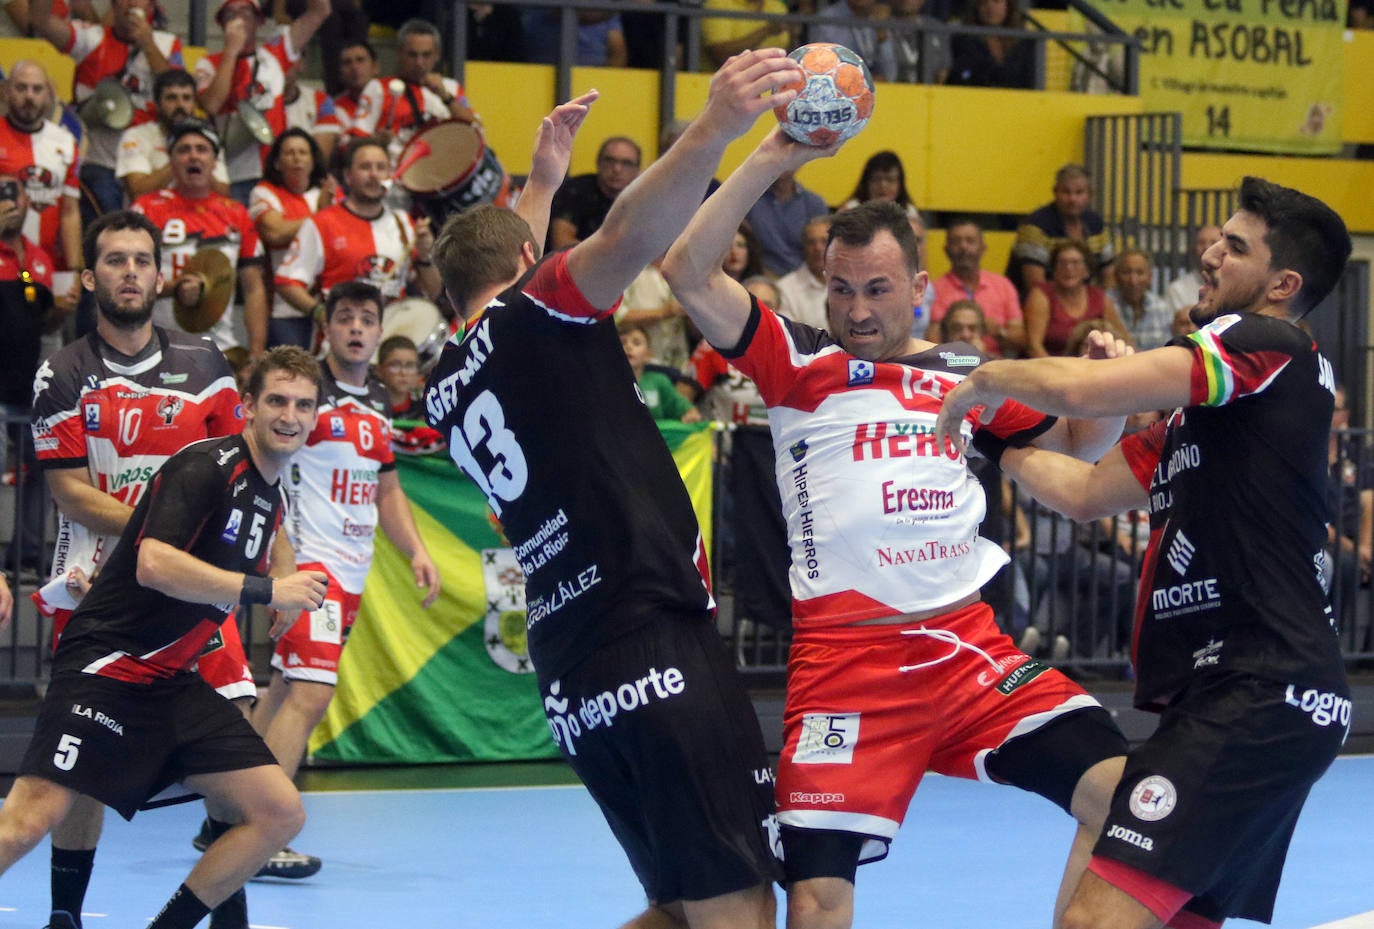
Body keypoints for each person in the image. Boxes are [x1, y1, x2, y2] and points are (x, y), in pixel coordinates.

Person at [661, 128, 1130, 929]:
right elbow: (685, 270)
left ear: (920, 285)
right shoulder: (796, 359)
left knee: (1129, 796)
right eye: (841, 289)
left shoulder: (971, 375)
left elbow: (1081, 459)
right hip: (848, 667)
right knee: (814, 900)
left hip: (969, 653)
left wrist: (1109, 384)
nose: (857, 309)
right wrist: (775, 158)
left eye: (877, 289)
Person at [425, 51, 805, 928]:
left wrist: (540, 184)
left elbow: (502, 284)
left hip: (572, 672)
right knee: (736, 904)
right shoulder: (541, 312)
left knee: (674, 906)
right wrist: (714, 125)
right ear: (530, 260)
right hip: (653, 635)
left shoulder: (447, 381)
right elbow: (631, 238)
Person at [934, 175, 1354, 929]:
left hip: (1256, 687)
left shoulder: (1263, 341)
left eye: (1235, 247)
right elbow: (1085, 490)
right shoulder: (1211, 417)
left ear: (1282, 283)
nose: (1211, 253)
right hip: (1245, 694)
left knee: (1093, 920)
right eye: (1217, 238)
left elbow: (1089, 392)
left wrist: (983, 376)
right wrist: (992, 435)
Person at [0, 344, 329, 929]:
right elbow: (154, 563)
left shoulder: (267, 492)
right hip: (107, 664)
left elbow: (240, 562)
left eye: (304, 405)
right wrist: (265, 591)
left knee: (278, 812)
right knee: (30, 818)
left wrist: (280, 573)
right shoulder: (206, 465)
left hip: (167, 681)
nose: (290, 415)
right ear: (247, 406)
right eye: (276, 400)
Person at [29, 210, 275, 929]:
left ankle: (228, 920)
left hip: (194, 599)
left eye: (142, 259)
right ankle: (64, 916)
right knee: (79, 775)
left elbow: (243, 472)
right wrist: (154, 532)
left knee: (235, 766)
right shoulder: (64, 372)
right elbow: (68, 488)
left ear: (161, 275)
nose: (130, 271)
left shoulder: (204, 364)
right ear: (91, 275)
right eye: (114, 260)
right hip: (100, 596)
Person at [246, 279, 440, 877]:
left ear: (381, 330)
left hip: (352, 572)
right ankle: (263, 835)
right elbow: (264, 467)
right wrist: (282, 560)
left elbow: (387, 488)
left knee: (281, 689)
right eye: (346, 317)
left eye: (367, 319)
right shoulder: (305, 395)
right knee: (309, 694)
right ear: (326, 326)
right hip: (310, 568)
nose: (357, 328)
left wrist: (416, 550)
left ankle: (225, 818)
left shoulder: (379, 399)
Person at [27, 0, 181, 222]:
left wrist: (147, 43)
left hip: (148, 163)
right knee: (110, 228)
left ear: (151, 6)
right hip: (101, 161)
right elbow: (41, 21)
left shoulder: (167, 44)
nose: (130, 4)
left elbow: (176, 87)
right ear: (113, 6)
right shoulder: (91, 38)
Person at [131, 119, 269, 358]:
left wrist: (256, 354)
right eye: (184, 150)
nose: (193, 156)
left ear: (215, 162)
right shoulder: (145, 209)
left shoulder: (237, 214)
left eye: (202, 149)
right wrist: (175, 289)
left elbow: (253, 288)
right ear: (170, 162)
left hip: (219, 349)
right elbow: (127, 282)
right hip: (155, 347)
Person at [275, 136, 442, 315]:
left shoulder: (404, 222)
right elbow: (286, 282)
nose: (374, 175)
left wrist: (425, 257)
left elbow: (432, 292)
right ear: (348, 176)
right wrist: (320, 313)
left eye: (381, 168)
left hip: (393, 333)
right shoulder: (322, 223)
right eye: (365, 167)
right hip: (342, 339)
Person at [194, 0, 331, 204]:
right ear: (221, 24)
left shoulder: (276, 53)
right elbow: (212, 104)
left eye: (245, 12)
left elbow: (320, 11)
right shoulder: (208, 64)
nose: (238, 18)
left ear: (259, 21)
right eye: (230, 14)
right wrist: (231, 52)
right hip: (231, 172)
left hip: (274, 170)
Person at [0, 172, 56, 576]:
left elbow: (40, 314)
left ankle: (30, 552)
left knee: (41, 464)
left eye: (12, 194)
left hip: (25, 384)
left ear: (26, 202)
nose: (7, 202)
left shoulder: (37, 257)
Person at [345, 18, 479, 162]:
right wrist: (376, 141)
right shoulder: (378, 88)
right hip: (395, 172)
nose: (419, 63)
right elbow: (354, 145)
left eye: (426, 55)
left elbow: (475, 130)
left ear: (437, 55)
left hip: (441, 171)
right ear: (400, 53)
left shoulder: (451, 87)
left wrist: (444, 95)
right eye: (412, 55)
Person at [249, 127, 333, 349]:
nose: (297, 158)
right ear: (277, 163)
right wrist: (323, 216)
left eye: (303, 152)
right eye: (290, 152)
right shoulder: (264, 192)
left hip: (330, 304)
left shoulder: (326, 191)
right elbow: (274, 232)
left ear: (313, 160)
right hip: (283, 307)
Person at [0, 61, 82, 282]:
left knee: (47, 314)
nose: (29, 96)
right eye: (21, 88)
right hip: (3, 264)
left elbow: (69, 211)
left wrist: (74, 270)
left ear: (48, 93)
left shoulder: (65, 142)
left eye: (37, 89)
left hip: (46, 265)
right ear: (6, 91)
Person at [116, 68, 232, 201]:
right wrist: (178, 160)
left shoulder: (207, 139)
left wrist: (199, 166)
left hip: (197, 217)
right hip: (150, 217)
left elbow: (224, 197)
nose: (180, 105)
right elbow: (138, 194)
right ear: (157, 104)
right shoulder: (135, 136)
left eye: (187, 98)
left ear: (194, 104)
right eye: (171, 98)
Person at [1008, 163, 1115, 299]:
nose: (1072, 199)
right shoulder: (1035, 225)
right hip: (1038, 304)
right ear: (1055, 192)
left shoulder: (1096, 223)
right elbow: (1036, 286)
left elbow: (1109, 275)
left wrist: (1097, 304)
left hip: (1082, 303)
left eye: (1079, 192)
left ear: (1090, 194)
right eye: (1066, 192)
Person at [925, 215, 1024, 356]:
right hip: (950, 366)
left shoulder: (1003, 286)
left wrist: (999, 332)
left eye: (970, 241)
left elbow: (1022, 339)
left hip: (996, 366)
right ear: (946, 249)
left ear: (983, 248)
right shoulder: (932, 290)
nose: (963, 246)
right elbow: (931, 347)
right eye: (956, 241)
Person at [1023, 240, 1131, 357]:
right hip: (1049, 368)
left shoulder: (1099, 297)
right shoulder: (1041, 295)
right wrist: (1058, 373)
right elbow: (1033, 346)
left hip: (1092, 368)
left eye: (1075, 263)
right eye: (1062, 263)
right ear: (1054, 269)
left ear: (1086, 270)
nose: (1068, 268)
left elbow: (1124, 339)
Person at [546, 135, 641, 251]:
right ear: (598, 163)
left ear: (637, 170)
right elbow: (561, 243)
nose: (617, 169)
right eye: (610, 160)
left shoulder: (643, 200)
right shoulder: (574, 190)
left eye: (626, 163)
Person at [745, 168, 830, 277]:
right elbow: (746, 246)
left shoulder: (814, 203)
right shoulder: (750, 201)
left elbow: (823, 251)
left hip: (806, 279)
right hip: (762, 276)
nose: (784, 162)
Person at [618, 322, 702, 422]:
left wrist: (691, 413)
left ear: (648, 354)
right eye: (622, 343)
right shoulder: (606, 383)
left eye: (636, 343)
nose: (629, 347)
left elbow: (681, 406)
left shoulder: (659, 381)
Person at [946, 0, 1035, 89]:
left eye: (996, 1)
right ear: (977, 8)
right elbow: (961, 76)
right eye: (983, 3)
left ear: (1008, 5)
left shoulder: (1025, 42)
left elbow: (1030, 82)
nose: (990, 7)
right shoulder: (963, 40)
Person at [811, 0, 897, 82]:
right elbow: (821, 72)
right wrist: (866, 81)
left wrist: (882, 34)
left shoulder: (881, 16)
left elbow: (890, 75)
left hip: (880, 91)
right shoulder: (826, 20)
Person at [1108, 247, 1173, 351]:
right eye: (1126, 272)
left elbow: (1167, 350)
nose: (1133, 280)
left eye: (1140, 273)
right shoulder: (1105, 304)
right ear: (1116, 276)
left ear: (1150, 277)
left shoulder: (1162, 308)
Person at [701, 0, 793, 67]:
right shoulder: (718, 4)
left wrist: (795, 36)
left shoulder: (777, 6)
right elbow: (720, 56)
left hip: (774, 81)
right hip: (723, 82)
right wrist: (766, 31)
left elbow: (789, 55)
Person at [776, 215, 830, 329]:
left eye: (824, 241)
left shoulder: (852, 282)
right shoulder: (785, 289)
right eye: (811, 242)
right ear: (803, 247)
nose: (818, 248)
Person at [1163, 222, 1221, 323]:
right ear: (1194, 248)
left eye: (1213, 243)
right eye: (1201, 242)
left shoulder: (1235, 286)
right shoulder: (1177, 290)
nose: (1206, 247)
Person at [839, 150, 918, 218]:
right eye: (876, 179)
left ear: (900, 185)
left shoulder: (909, 213)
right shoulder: (851, 210)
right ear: (866, 183)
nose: (883, 185)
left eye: (890, 180)